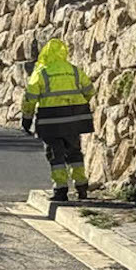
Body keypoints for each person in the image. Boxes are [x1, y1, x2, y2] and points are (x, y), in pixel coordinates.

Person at [22, 39, 96, 202]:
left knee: (56, 156)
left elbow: (30, 98)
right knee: (75, 152)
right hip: (73, 120)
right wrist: (78, 104)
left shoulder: (41, 72)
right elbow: (90, 90)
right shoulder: (73, 70)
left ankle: (60, 189)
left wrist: (26, 119)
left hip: (51, 120)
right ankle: (82, 187)